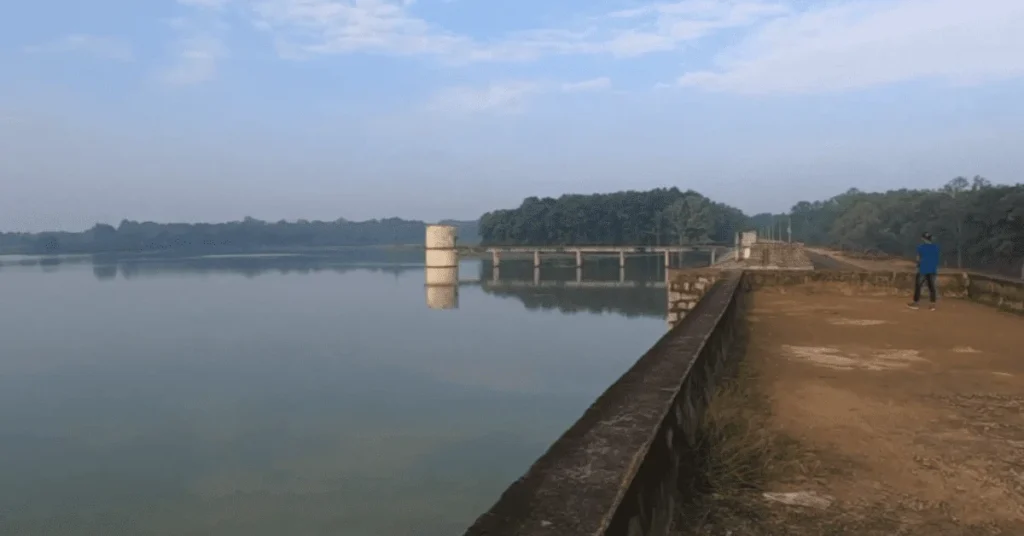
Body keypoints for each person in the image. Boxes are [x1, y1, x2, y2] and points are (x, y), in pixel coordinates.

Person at [908, 232, 939, 310]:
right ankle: (932, 305)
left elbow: (918, 258)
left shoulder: (920, 247)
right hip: (932, 269)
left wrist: (918, 265)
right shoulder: (935, 247)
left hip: (923, 269)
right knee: (932, 287)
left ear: (923, 239)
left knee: (918, 286)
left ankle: (916, 303)